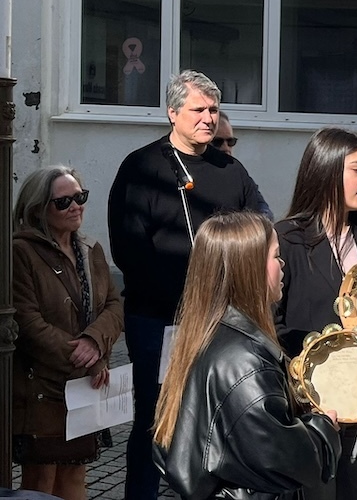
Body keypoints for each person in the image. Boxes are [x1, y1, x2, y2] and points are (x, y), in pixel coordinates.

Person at [108, 70, 262, 500]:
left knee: (215, 421)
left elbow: (257, 231)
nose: (208, 118)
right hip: (159, 321)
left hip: (221, 321)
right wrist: (188, 299)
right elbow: (130, 251)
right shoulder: (141, 168)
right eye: (198, 109)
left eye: (213, 109)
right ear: (173, 113)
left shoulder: (230, 170)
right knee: (157, 421)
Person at [153, 211, 341, 499]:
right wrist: (323, 430)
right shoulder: (245, 361)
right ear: (249, 269)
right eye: (276, 256)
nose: (282, 264)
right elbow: (283, 458)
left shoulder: (201, 335)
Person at [273, 128, 357, 500]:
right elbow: (271, 323)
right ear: (327, 171)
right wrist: (321, 359)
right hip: (312, 406)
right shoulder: (287, 238)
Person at [12, 166, 124, 500]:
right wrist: (85, 358)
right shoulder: (20, 251)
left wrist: (95, 341)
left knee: (75, 475)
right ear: (38, 209)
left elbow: (114, 305)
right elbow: (27, 322)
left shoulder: (90, 248)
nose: (76, 206)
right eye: (63, 202)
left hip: (84, 385)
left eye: (80, 197)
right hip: (41, 385)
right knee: (41, 479)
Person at [210, 111, 274, 220]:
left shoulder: (238, 174)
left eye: (230, 142)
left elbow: (264, 213)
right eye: (217, 142)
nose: (226, 148)